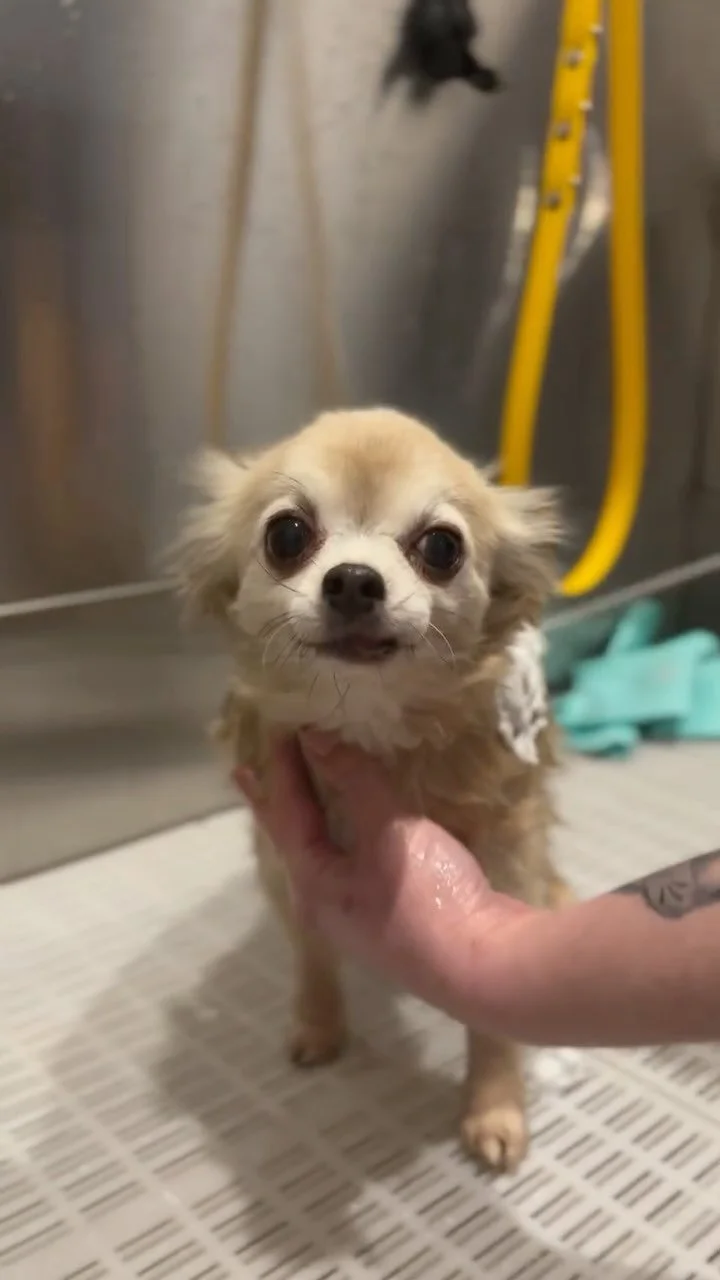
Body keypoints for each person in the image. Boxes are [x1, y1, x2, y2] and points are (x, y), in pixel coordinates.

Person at [235, 732, 720, 1047]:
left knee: (512, 838)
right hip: (288, 726)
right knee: (297, 871)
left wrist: (487, 953)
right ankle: (318, 1000)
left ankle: (496, 1071)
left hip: (471, 722)